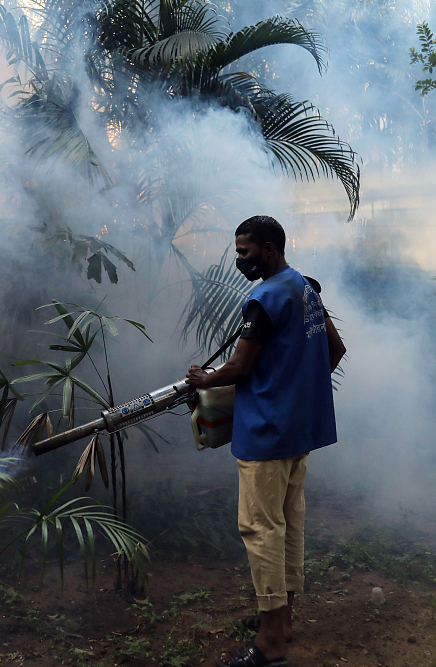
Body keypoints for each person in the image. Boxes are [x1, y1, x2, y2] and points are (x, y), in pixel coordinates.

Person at [187, 215, 345, 667]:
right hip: (299, 432)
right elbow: (335, 350)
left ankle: (270, 644)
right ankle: (282, 621)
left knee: (260, 530)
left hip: (265, 436)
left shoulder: (264, 299)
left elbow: (237, 370)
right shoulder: (304, 287)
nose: (240, 261)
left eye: (245, 253)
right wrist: (297, 393)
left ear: (269, 250)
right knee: (289, 524)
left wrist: (203, 378)